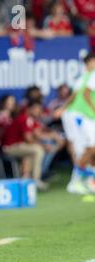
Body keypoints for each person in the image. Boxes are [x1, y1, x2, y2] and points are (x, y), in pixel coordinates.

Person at [61, 52, 95, 194]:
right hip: (82, 117)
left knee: (88, 150)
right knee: (88, 148)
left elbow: (75, 96)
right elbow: (85, 94)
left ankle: (87, 180)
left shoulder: (85, 77)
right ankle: (75, 181)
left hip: (86, 117)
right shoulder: (91, 75)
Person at [1, 101, 48, 190]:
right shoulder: (24, 118)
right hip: (9, 147)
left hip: (19, 146)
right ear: (29, 109)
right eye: (36, 109)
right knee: (38, 150)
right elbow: (28, 138)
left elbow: (37, 134)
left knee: (30, 153)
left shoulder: (30, 120)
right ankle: (35, 180)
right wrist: (43, 146)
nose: (38, 112)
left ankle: (26, 180)